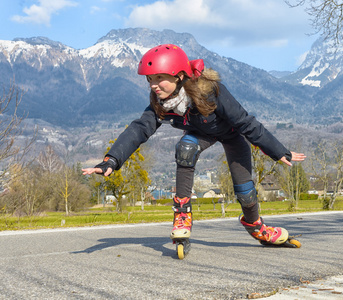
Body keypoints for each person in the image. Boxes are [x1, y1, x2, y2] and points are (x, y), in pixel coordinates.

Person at [82, 44, 306, 246]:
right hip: (200, 135)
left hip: (232, 135)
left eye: (159, 77)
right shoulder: (161, 103)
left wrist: (278, 151)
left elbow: (246, 122)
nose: (153, 85)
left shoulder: (210, 91)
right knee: (186, 148)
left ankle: (256, 226)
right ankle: (181, 216)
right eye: (150, 79)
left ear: (179, 75)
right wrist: (111, 159)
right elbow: (139, 129)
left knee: (246, 194)